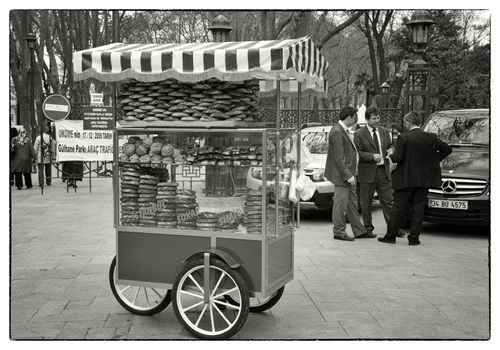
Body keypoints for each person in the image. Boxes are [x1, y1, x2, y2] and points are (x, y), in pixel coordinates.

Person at [378, 111, 452, 245]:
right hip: (424, 179)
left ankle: (390, 236)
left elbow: (399, 157)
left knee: (398, 207)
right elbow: (447, 149)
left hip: (406, 178)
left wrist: (390, 156)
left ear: (408, 122)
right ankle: (414, 238)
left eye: (405, 122)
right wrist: (433, 161)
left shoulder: (403, 138)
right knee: (419, 208)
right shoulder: (431, 137)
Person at [324, 106, 369, 241]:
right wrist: (348, 175)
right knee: (340, 205)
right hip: (343, 176)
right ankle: (339, 231)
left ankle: (359, 230)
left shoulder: (341, 130)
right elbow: (339, 157)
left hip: (348, 174)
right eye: (355, 118)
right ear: (349, 118)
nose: (356, 120)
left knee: (352, 204)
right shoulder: (337, 131)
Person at [354, 107, 396, 238]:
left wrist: (391, 150)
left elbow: (390, 145)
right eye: (374, 118)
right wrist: (372, 157)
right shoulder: (359, 133)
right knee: (366, 202)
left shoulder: (384, 131)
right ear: (367, 119)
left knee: (388, 201)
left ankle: (393, 228)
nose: (377, 121)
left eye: (378, 118)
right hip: (367, 172)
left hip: (383, 171)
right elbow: (358, 152)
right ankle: (368, 229)